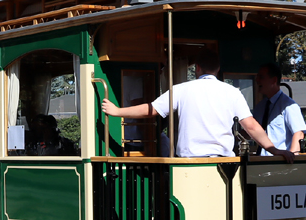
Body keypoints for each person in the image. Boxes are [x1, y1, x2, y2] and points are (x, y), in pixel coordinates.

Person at [101, 49, 294, 162]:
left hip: (190, 163)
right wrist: (274, 150)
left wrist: (117, 111)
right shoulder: (232, 92)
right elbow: (251, 126)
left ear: (197, 68)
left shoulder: (182, 89)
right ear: (218, 70)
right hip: (223, 163)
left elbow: (152, 109)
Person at [251, 62, 306, 155]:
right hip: (260, 161)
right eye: (257, 77)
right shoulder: (260, 107)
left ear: (274, 80)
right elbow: (251, 130)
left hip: (279, 162)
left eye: (261, 77)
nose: (257, 80)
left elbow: (299, 133)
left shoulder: (289, 105)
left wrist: (292, 158)